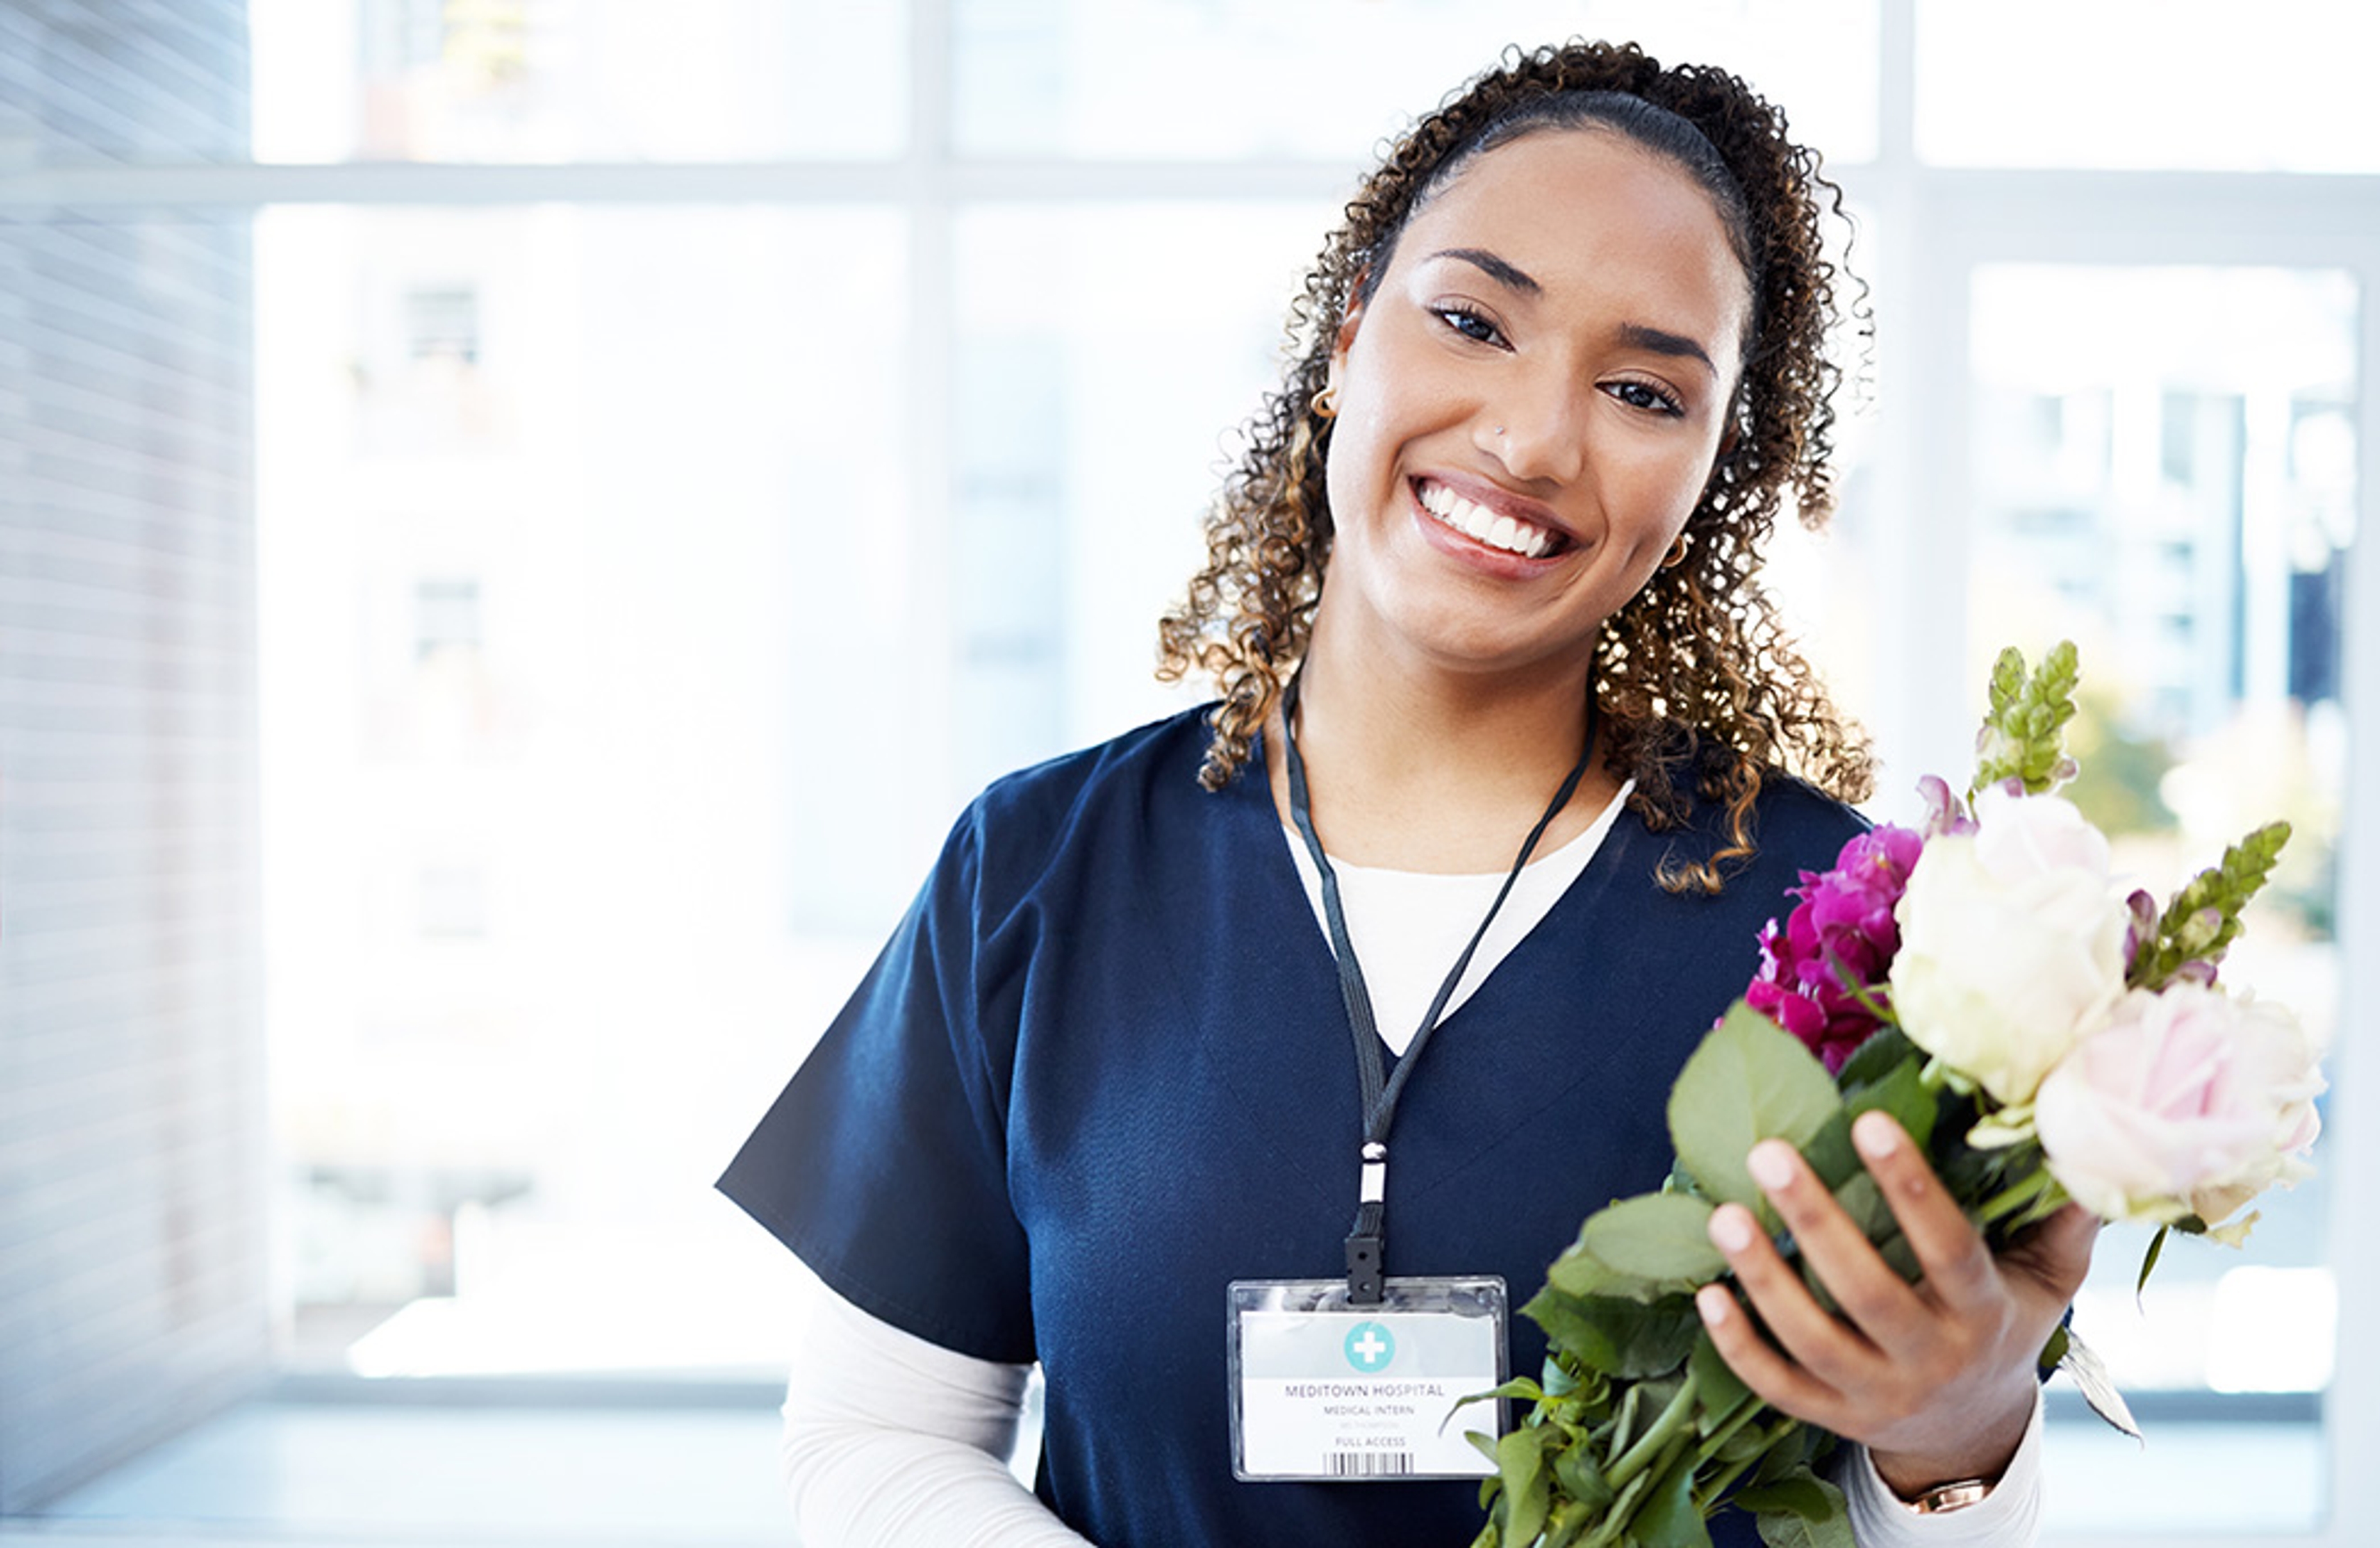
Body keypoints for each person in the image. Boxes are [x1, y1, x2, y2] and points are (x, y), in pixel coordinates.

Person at [720, 41, 2095, 1547]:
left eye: (1643, 388)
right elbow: (875, 1435)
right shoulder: (1041, 871)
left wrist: (1959, 1431)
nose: (1531, 437)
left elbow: (1892, 1504)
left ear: (1716, 473)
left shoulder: (1849, 934)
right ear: (1345, 343)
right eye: (1471, 320)